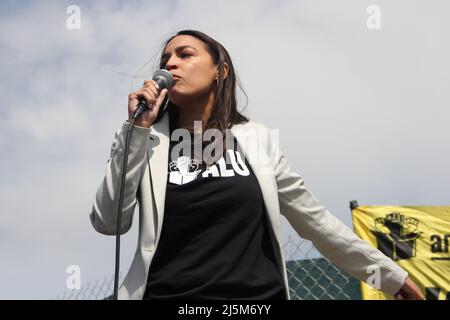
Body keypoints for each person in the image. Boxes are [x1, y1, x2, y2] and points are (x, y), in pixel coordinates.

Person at [90, 30, 424, 300]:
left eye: (185, 54)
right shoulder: (146, 140)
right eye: (166, 59)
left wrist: (390, 277)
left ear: (221, 70)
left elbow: (315, 222)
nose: (170, 64)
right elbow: (109, 222)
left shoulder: (256, 139)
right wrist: (137, 130)